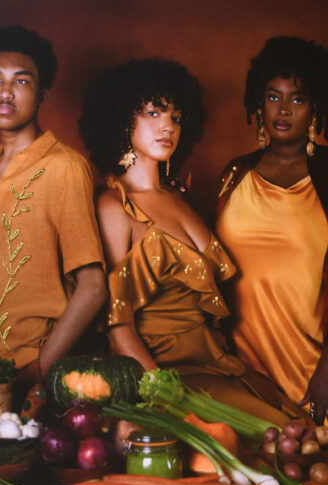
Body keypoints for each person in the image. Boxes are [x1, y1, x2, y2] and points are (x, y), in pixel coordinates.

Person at [83, 58, 297, 425]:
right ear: (121, 119)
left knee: (303, 431)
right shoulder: (113, 204)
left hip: (222, 365)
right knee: (283, 441)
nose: (168, 125)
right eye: (153, 112)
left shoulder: (178, 195)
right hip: (170, 376)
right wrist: (164, 397)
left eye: (176, 117)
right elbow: (119, 329)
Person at [0, 26, 107, 395]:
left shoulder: (65, 166)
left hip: (24, 369)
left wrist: (40, 368)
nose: (5, 92)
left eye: (21, 81)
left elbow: (93, 287)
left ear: (43, 93)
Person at [216, 37, 328, 424]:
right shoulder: (234, 174)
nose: (282, 110)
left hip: (311, 366)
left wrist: (326, 372)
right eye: (272, 96)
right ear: (258, 103)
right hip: (241, 369)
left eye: (297, 99)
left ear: (315, 106)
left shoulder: (326, 177)